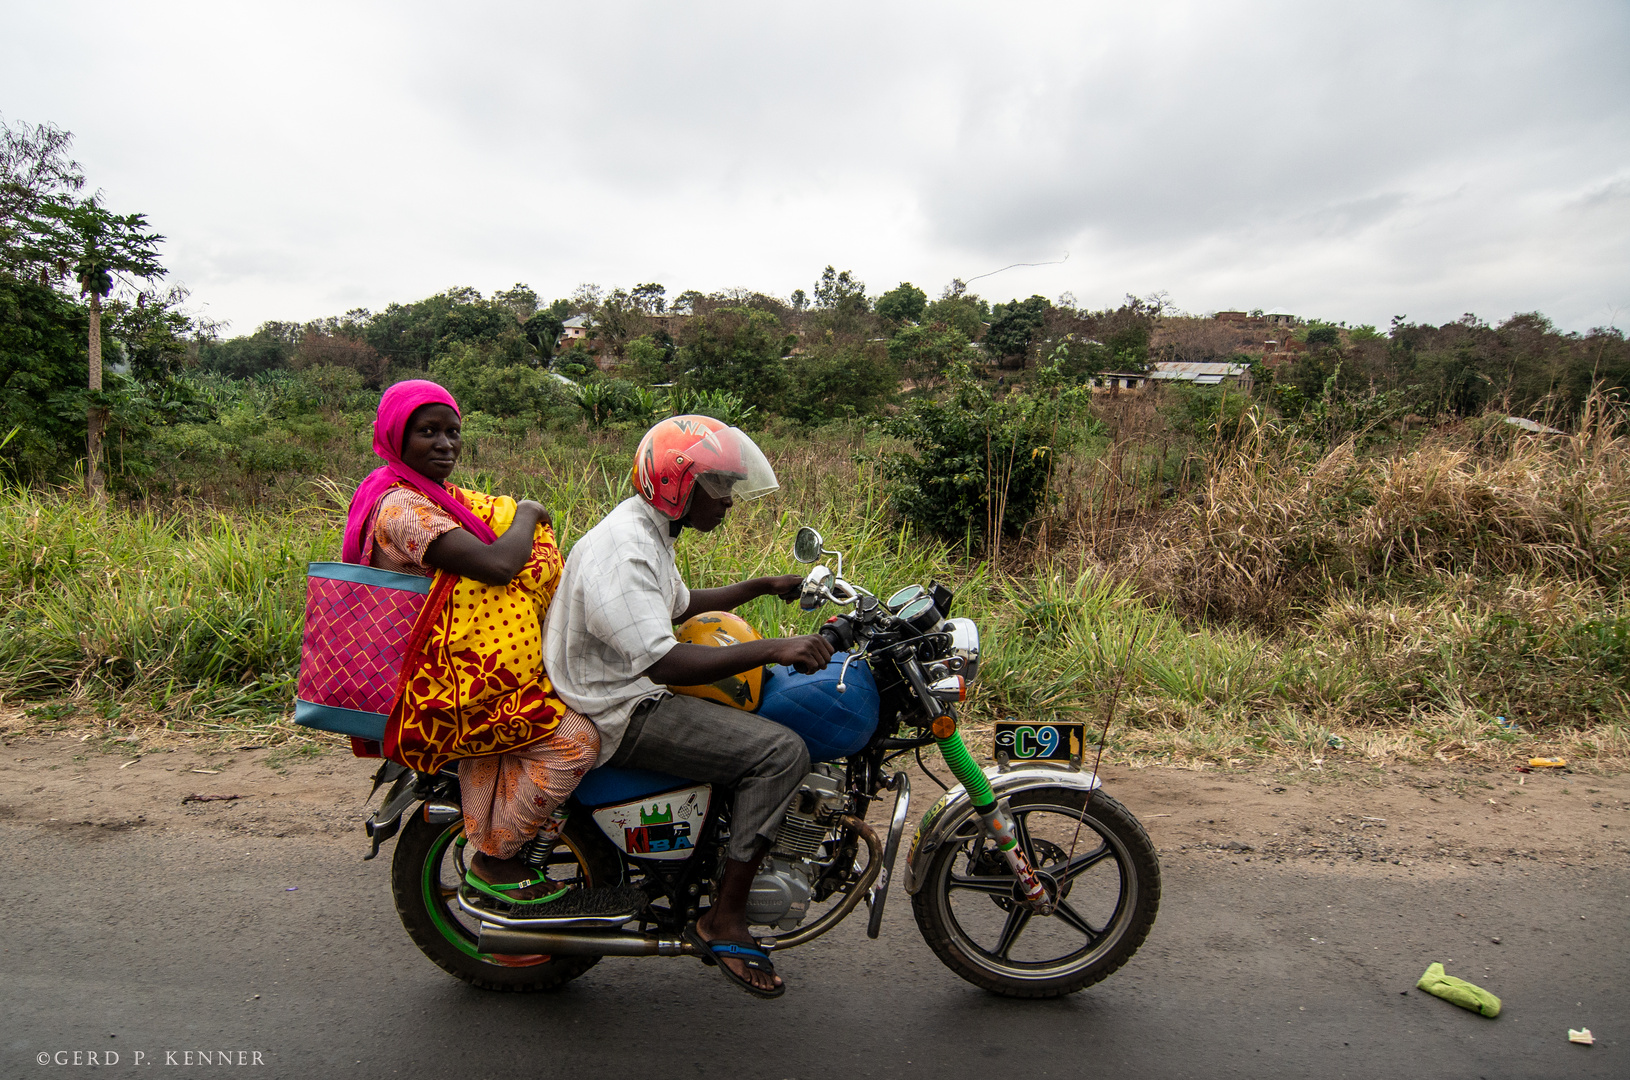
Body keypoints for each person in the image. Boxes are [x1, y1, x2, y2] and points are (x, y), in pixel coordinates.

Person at [544, 415, 834, 998]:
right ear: (676, 486)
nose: (728, 501)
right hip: (618, 707)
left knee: (761, 714)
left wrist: (758, 586)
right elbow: (665, 661)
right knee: (779, 752)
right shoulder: (624, 550)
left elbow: (674, 605)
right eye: (718, 487)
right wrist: (775, 645)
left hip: (628, 686)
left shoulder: (647, 530)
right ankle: (723, 918)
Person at [343, 379, 598, 908]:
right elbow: (497, 565)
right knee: (577, 741)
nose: (444, 444)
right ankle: (494, 859)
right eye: (427, 432)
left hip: (462, 674)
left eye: (453, 432)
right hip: (441, 688)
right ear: (396, 436)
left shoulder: (426, 498)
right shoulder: (402, 510)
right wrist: (526, 512)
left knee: (502, 751)